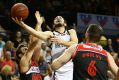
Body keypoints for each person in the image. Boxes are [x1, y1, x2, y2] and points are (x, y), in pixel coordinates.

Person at [12, 13, 78, 80]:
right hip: (58, 72)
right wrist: (24, 25)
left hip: (71, 70)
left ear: (65, 24)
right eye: (56, 18)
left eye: (60, 17)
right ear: (53, 25)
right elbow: (35, 34)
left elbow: (75, 44)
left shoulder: (71, 32)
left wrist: (61, 42)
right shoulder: (50, 34)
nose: (58, 17)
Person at [51, 24, 119, 80]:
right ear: (100, 38)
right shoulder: (106, 54)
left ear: (86, 35)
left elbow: (54, 66)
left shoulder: (76, 48)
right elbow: (117, 72)